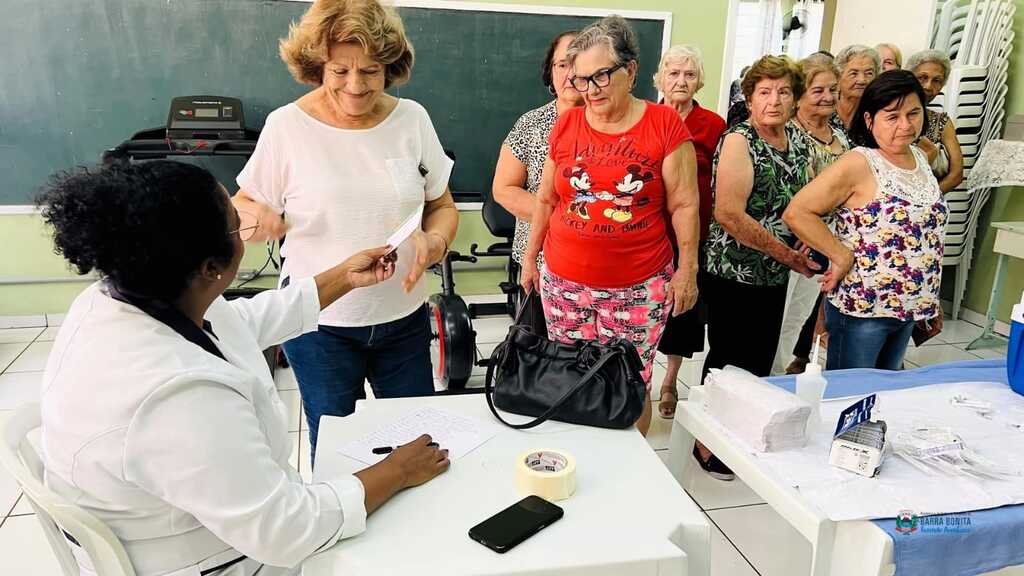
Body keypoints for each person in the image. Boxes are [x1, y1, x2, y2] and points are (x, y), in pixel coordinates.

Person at [38, 161, 450, 576]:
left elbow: (239, 322)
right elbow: (287, 529)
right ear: (210, 268)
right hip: (209, 558)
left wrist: (344, 276)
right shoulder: (176, 397)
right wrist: (397, 471)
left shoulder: (123, 292)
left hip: (190, 513)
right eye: (237, 225)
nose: (247, 231)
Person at [232, 0, 459, 456]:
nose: (356, 87)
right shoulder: (287, 127)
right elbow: (243, 207)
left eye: (371, 72)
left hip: (403, 320)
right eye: (340, 71)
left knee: (415, 443)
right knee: (339, 449)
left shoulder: (411, 119)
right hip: (321, 328)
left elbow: (442, 204)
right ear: (317, 66)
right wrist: (255, 221)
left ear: (389, 67)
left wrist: (434, 242)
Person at [518, 15, 700, 436]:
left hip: (638, 286)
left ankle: (631, 475)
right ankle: (583, 460)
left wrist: (687, 269)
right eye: (581, 79)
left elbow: (686, 204)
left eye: (601, 76)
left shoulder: (664, 124)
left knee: (629, 385)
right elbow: (547, 198)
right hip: (565, 283)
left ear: (631, 71)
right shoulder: (566, 124)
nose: (590, 90)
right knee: (573, 378)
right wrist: (531, 258)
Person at [700, 55, 820, 479]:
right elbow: (729, 214)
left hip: (775, 270)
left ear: (795, 99)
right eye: (764, 91)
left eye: (784, 92)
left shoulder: (801, 141)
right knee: (729, 358)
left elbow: (809, 201)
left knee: (760, 356)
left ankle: (741, 434)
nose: (774, 100)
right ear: (749, 98)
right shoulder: (739, 140)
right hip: (734, 269)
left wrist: (809, 231)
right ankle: (706, 442)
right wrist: (788, 254)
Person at [784, 71, 947, 370]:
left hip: (909, 308)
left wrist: (930, 296)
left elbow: (927, 235)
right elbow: (798, 212)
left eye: (914, 113)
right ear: (870, 120)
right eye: (892, 116)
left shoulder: (920, 158)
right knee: (850, 397)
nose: (906, 125)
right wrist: (840, 254)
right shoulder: (859, 163)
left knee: (883, 397)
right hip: (864, 307)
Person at [651, 44, 726, 418]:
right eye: (673, 73)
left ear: (699, 82)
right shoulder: (644, 118)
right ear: (659, 78)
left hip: (689, 234)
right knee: (642, 310)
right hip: (645, 234)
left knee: (681, 314)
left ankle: (670, 381)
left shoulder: (713, 125)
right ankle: (637, 375)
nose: (680, 81)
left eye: (689, 74)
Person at [777, 54, 852, 375]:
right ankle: (766, 380)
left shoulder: (841, 138)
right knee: (777, 319)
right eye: (818, 90)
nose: (828, 97)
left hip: (828, 241)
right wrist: (799, 234)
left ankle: (779, 379)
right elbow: (783, 195)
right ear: (800, 95)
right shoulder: (788, 136)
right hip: (792, 242)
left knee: (799, 317)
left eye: (833, 90)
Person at [493, 30, 582, 271]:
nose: (571, 74)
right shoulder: (531, 124)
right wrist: (564, 220)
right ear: (551, 70)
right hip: (541, 261)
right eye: (563, 64)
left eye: (579, 64)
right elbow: (504, 188)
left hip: (597, 264)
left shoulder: (612, 125)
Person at [907, 49, 965, 192]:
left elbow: (956, 174)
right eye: (922, 77)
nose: (928, 86)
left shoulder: (941, 122)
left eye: (936, 80)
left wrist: (927, 201)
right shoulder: (888, 115)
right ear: (909, 77)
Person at [832, 45, 880, 133]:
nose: (862, 80)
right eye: (854, 73)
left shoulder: (876, 116)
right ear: (838, 77)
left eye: (869, 73)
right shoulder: (826, 110)